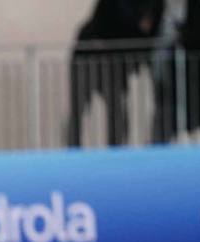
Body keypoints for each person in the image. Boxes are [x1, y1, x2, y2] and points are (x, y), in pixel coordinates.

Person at [64, 0, 160, 148]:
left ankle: (116, 150)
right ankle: (73, 149)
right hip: (91, 59)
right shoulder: (115, 6)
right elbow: (107, 25)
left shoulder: (153, 6)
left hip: (113, 64)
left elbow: (148, 37)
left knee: (116, 110)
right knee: (80, 107)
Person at [151, 0, 200, 144]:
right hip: (178, 66)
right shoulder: (177, 7)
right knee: (172, 106)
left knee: (192, 108)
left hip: (193, 65)